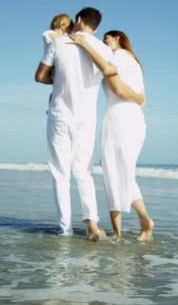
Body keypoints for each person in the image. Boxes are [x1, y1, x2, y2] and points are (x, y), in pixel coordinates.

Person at [34, 7, 114, 242]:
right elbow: (109, 71)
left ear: (78, 20)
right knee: (83, 172)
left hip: (59, 115)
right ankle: (92, 223)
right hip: (86, 120)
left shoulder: (59, 43)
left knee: (60, 174)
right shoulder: (103, 49)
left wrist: (57, 79)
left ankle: (65, 229)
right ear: (96, 27)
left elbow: (39, 76)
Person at [69, 30, 155, 242]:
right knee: (120, 173)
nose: (105, 43)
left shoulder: (120, 57)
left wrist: (84, 44)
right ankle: (122, 231)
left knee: (115, 174)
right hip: (131, 118)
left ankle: (138, 224)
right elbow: (143, 101)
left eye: (107, 39)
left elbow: (111, 76)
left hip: (120, 118)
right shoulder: (135, 63)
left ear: (118, 38)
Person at [42, 14, 73, 106]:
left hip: (56, 66)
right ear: (64, 28)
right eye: (69, 30)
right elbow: (50, 36)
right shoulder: (48, 34)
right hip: (52, 66)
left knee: (59, 88)